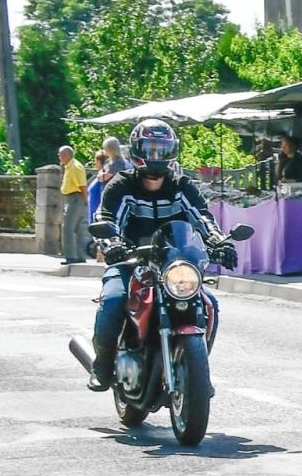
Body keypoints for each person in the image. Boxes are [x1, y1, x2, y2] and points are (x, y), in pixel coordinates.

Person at [84, 119, 238, 392]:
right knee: (113, 300)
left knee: (209, 302)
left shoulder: (181, 186)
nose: (157, 156)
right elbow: (106, 218)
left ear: (172, 152)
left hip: (173, 266)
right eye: (151, 148)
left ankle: (197, 370)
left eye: (163, 149)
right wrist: (112, 244)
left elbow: (203, 217)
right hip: (130, 263)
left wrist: (218, 242)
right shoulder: (122, 185)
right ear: (136, 151)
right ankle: (103, 365)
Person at [58, 146, 89, 265]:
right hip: (75, 198)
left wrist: (86, 200)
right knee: (78, 228)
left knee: (68, 227)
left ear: (66, 155)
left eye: (60, 155)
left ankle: (71, 256)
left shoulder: (75, 167)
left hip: (75, 198)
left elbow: (82, 185)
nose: (59, 157)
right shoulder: (71, 166)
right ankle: (80, 255)